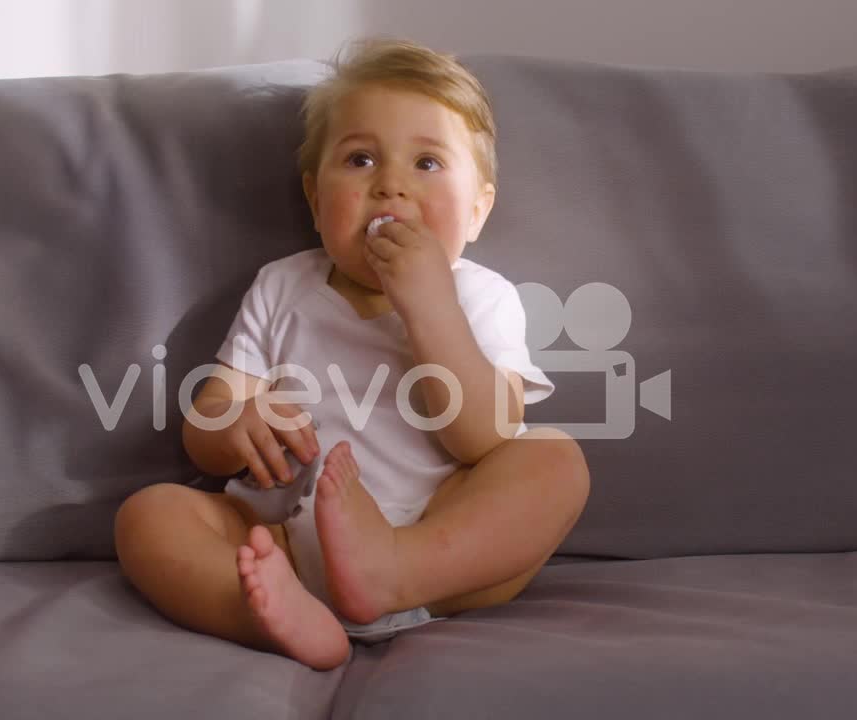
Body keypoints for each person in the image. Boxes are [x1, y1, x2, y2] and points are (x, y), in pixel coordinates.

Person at [115, 37, 590, 671]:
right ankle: (272, 615)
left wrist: (430, 306)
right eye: (362, 159)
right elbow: (205, 425)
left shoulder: (483, 297)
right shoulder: (283, 286)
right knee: (150, 517)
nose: (391, 185)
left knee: (554, 462)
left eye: (427, 163)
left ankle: (392, 571)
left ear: (477, 211)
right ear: (315, 200)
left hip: (435, 540)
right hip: (278, 540)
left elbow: (484, 437)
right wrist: (233, 426)